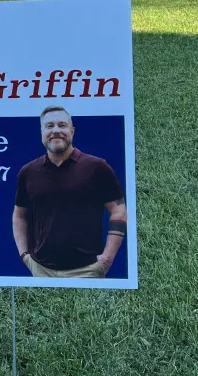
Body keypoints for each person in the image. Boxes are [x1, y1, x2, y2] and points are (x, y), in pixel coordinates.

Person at [11, 105, 127, 278]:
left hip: (87, 271)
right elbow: (19, 215)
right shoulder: (28, 172)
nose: (56, 131)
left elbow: (119, 210)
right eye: (49, 126)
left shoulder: (97, 167)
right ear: (41, 132)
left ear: (72, 131)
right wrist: (25, 256)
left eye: (62, 125)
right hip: (41, 270)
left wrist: (107, 258)